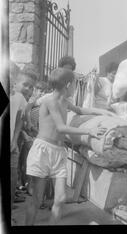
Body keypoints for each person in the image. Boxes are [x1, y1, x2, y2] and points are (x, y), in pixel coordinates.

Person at [24, 68, 112, 225]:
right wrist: (89, 131)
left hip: (58, 152)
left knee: (61, 199)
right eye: (74, 85)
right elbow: (61, 127)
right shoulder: (49, 101)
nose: (75, 88)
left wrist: (102, 112)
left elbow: (80, 110)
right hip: (43, 151)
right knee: (36, 200)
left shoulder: (65, 102)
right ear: (68, 84)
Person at [10, 67, 36, 213]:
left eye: (31, 87)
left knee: (13, 177)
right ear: (15, 82)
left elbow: (20, 120)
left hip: (12, 144)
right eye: (25, 84)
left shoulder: (21, 99)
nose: (28, 89)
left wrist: (15, 140)